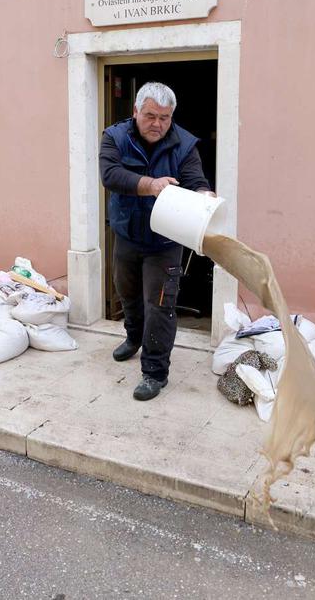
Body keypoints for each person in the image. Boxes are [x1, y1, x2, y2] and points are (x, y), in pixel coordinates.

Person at [99, 82, 214, 401]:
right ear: (135, 111)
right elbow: (110, 175)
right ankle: (133, 337)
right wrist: (150, 185)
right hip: (127, 235)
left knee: (160, 306)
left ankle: (154, 372)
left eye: (164, 117)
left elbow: (196, 181)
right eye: (150, 115)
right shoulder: (115, 138)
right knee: (128, 294)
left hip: (166, 242)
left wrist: (205, 196)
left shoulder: (185, 144)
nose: (157, 124)